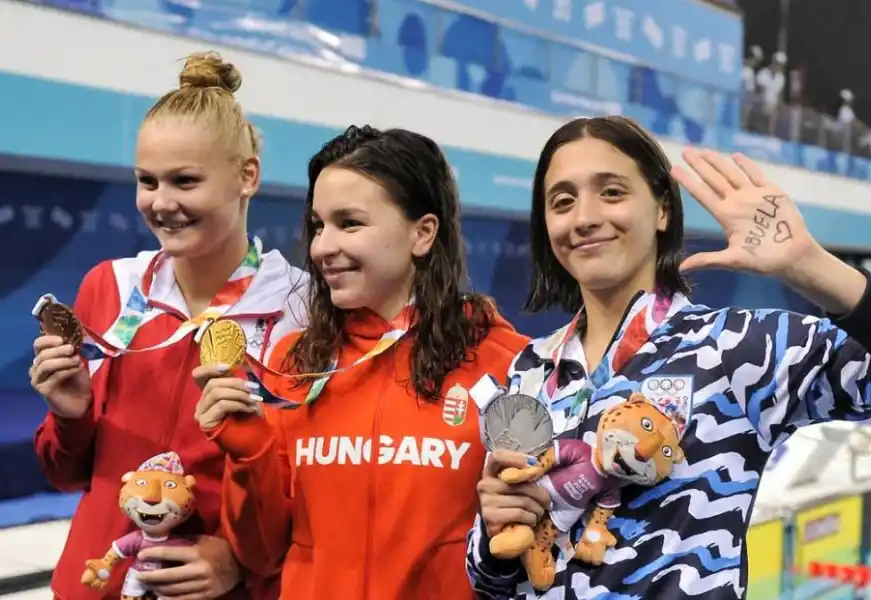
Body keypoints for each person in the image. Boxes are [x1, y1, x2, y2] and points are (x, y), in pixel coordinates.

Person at [465, 115, 871, 599]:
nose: (584, 217)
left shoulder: (735, 348)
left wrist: (810, 266)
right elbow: (491, 583)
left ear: (662, 212)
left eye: (611, 192)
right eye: (562, 201)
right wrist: (491, 535)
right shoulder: (531, 370)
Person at [192, 124, 531, 599]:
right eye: (317, 225)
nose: (322, 247)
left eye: (349, 223)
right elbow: (260, 554)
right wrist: (250, 455)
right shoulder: (295, 366)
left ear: (423, 233)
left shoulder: (509, 366)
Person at [29, 52, 309, 600]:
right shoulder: (109, 287)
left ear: (246, 176)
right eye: (146, 181)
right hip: (98, 582)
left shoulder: (302, 304)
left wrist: (240, 558)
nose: (161, 203)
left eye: (184, 181)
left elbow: (316, 486)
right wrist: (71, 417)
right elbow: (67, 474)